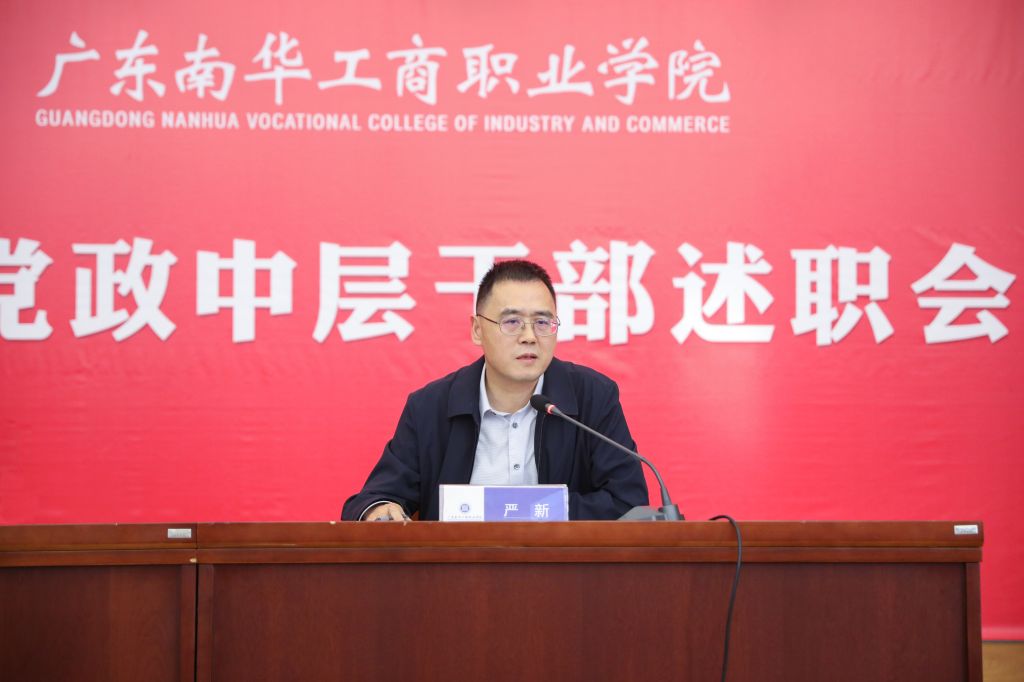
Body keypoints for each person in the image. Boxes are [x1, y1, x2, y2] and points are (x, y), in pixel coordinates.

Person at [341, 259, 648, 521]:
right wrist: (380, 509)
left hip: (559, 569)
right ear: (477, 329)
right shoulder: (430, 407)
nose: (529, 336)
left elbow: (629, 502)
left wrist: (526, 510)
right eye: (512, 322)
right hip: (458, 569)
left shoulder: (592, 396)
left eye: (542, 322)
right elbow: (375, 499)